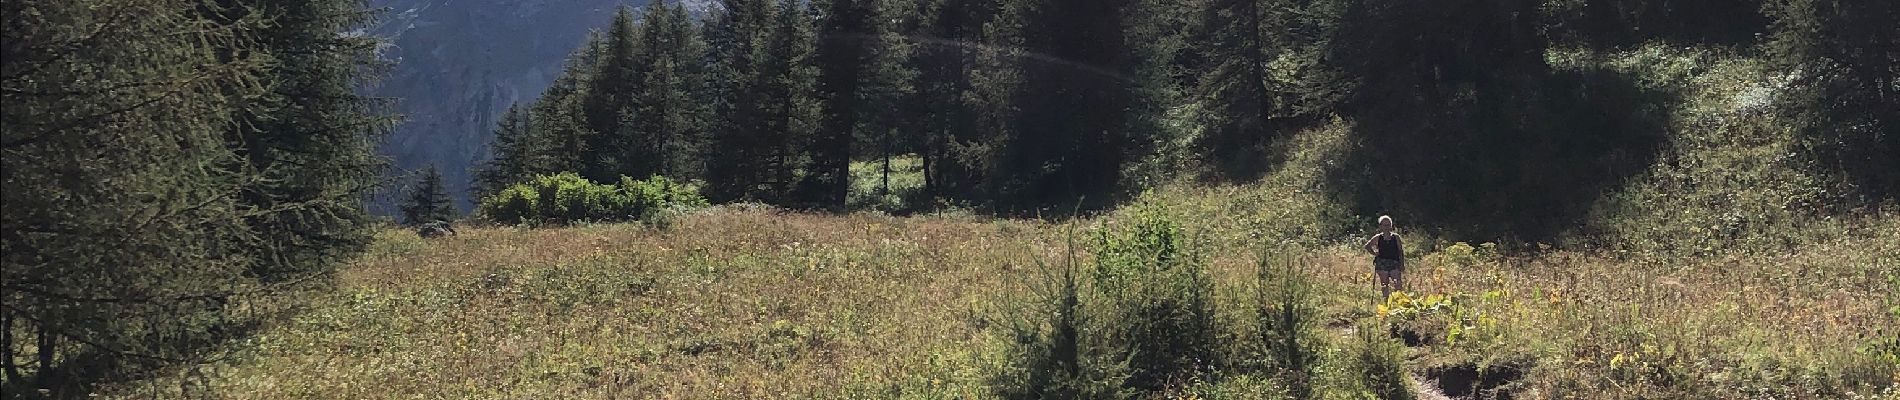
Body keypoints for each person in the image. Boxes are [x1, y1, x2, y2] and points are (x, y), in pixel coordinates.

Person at [1361, 215, 1404, 300]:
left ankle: (1399, 301)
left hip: (1394, 262)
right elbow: (1367, 246)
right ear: (1380, 226)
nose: (1386, 227)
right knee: (1385, 284)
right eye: (1384, 225)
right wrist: (1374, 253)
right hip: (1382, 263)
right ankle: (1386, 302)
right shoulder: (1378, 237)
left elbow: (1400, 251)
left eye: (1388, 225)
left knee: (1397, 283)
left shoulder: (1396, 237)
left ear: (1391, 226)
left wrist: (1402, 264)